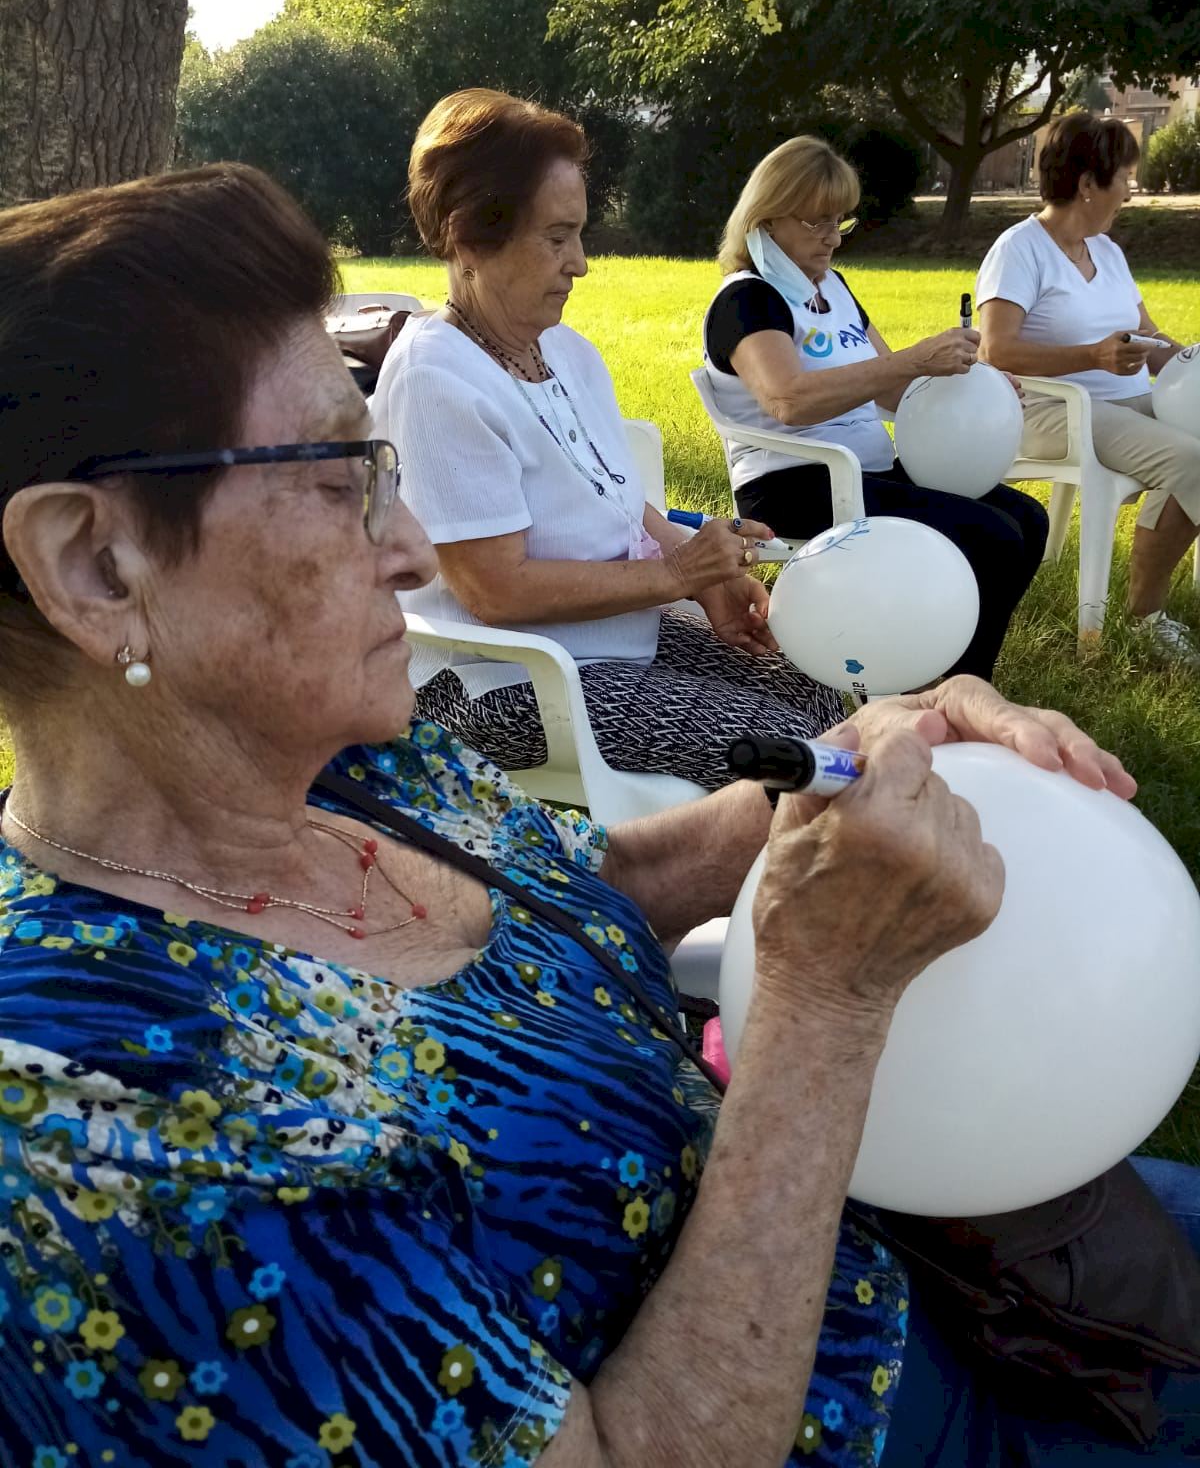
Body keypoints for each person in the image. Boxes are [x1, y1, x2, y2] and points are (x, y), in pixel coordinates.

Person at [2, 163, 1197, 1467]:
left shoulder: (338, 761)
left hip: (917, 1240)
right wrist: (823, 1008)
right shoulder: (94, 1126)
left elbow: (601, 873)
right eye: (338, 478)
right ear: (94, 564)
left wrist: (849, 759)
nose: (411, 551)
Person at [371, 89, 842, 792]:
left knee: (817, 692)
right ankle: (751, 861)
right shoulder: (435, 380)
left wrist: (708, 580)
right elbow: (495, 591)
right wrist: (678, 576)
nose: (581, 262)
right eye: (557, 237)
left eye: (579, 234)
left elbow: (616, 503)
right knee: (791, 753)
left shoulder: (567, 352)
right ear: (468, 239)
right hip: (501, 680)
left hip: (607, 644)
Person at [703, 136, 1050, 683]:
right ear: (766, 219)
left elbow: (892, 390)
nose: (833, 237)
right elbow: (788, 400)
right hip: (795, 483)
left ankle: (955, 679)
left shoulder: (833, 288)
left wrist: (972, 384)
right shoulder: (747, 299)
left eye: (840, 219)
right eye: (817, 221)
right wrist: (914, 360)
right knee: (992, 537)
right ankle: (957, 692)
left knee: (1027, 518)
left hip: (867, 469)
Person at [977, 111, 1200, 663]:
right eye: (1124, 178)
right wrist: (1093, 356)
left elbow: (1148, 337)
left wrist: (1189, 358)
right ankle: (1146, 619)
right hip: (1050, 411)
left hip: (1124, 404)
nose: (1129, 191)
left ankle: (1151, 602)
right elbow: (995, 351)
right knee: (1193, 461)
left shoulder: (1107, 251)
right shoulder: (1019, 249)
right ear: (1086, 184)